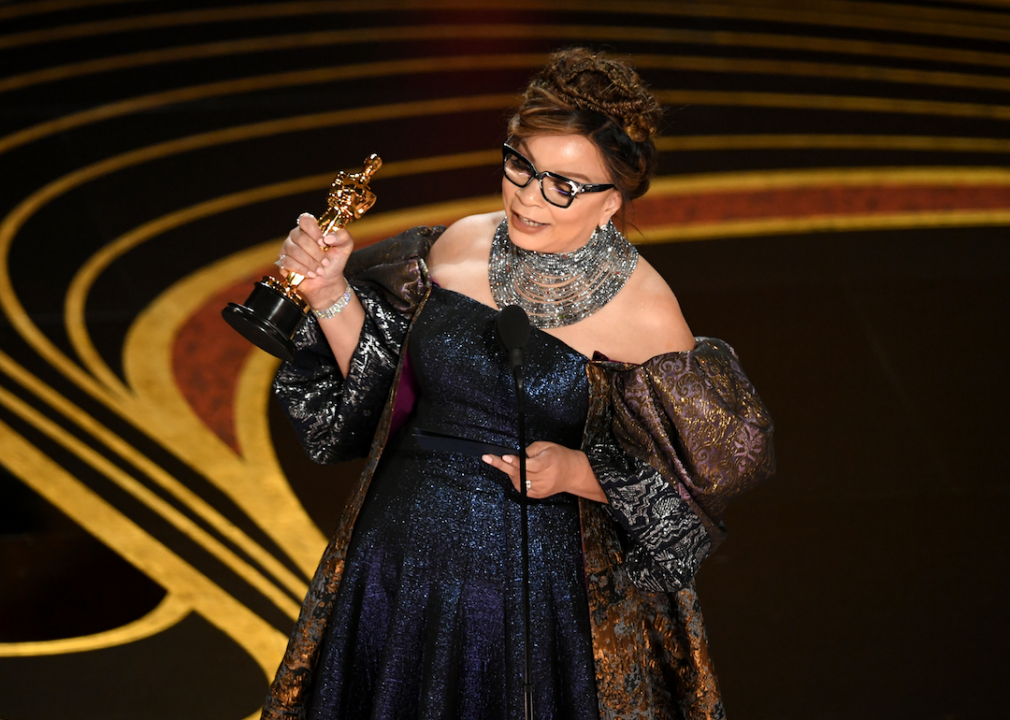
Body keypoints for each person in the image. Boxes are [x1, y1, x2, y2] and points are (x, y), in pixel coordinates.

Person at [261, 48, 774, 720]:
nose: (530, 198)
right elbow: (383, 385)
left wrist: (581, 471)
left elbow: (711, 473)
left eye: (564, 185)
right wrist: (329, 291)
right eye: (521, 166)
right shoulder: (459, 244)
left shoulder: (645, 310)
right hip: (394, 565)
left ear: (612, 202)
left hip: (528, 598)